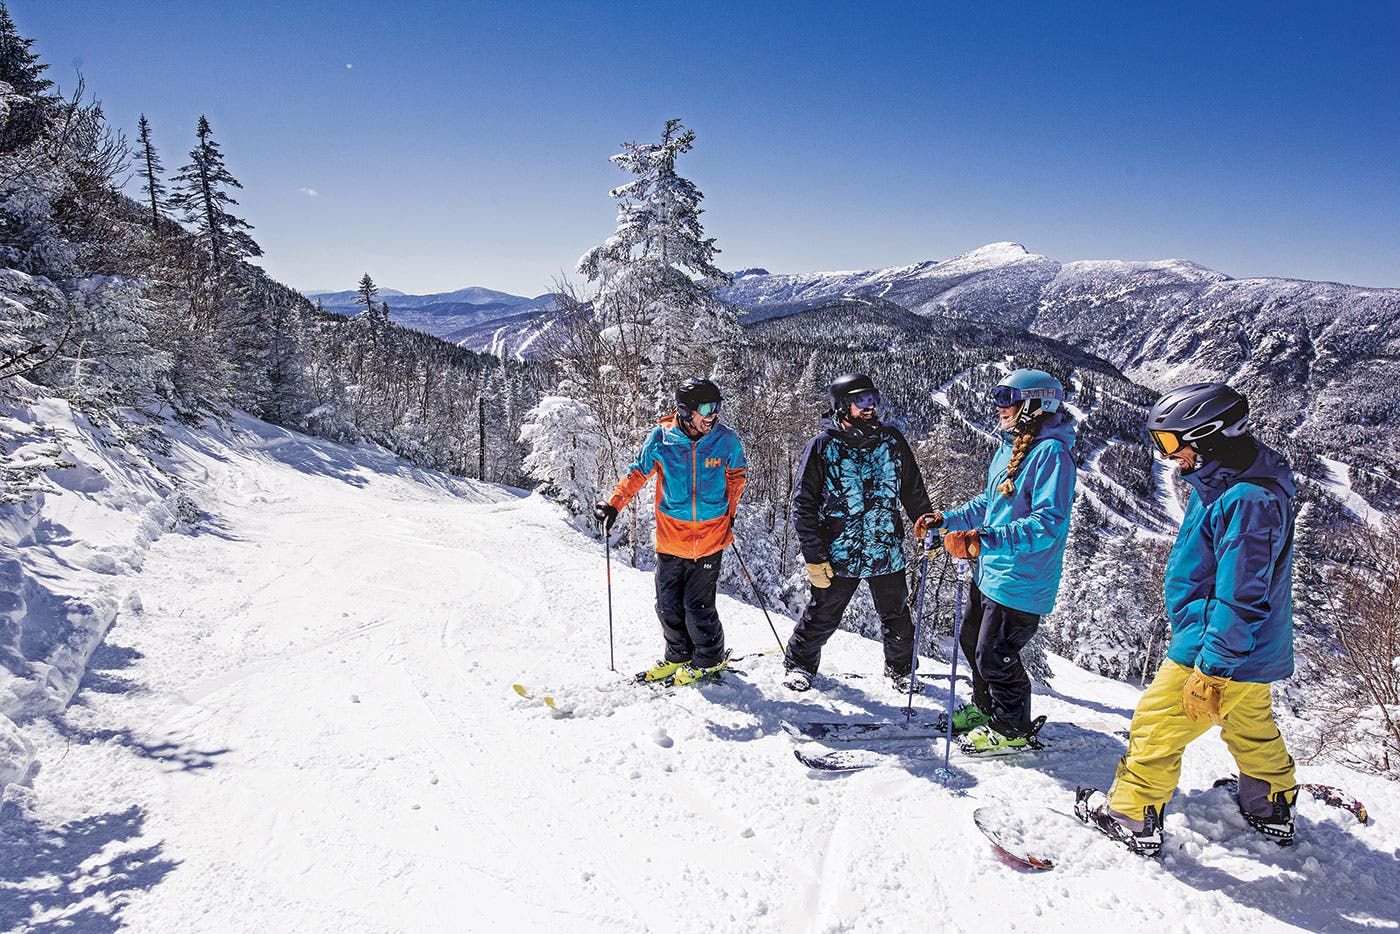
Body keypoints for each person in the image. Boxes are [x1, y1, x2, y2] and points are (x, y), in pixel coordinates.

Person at [1076, 382, 1299, 855]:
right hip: (1249, 648)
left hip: (1216, 644)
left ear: (1212, 435)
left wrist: (1213, 667)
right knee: (1249, 720)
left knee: (1157, 723)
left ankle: (1132, 815)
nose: (1168, 456)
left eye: (1175, 443)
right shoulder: (1222, 479)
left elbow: (1241, 594)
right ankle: (1269, 802)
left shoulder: (1247, 499)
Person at [924, 368, 1077, 755]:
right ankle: (985, 709)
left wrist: (983, 540)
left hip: (1022, 578)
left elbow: (1047, 525)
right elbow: (990, 505)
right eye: (998, 399)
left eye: (1007, 400)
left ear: (1036, 405)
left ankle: (1012, 727)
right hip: (990, 571)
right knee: (972, 641)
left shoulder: (1051, 455)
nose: (998, 408)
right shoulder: (1012, 446)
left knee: (995, 654)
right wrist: (949, 520)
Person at [785, 373, 935, 693]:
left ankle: (900, 669)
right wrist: (814, 554)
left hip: (885, 545)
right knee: (824, 613)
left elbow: (913, 491)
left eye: (873, 399)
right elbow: (804, 504)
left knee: (896, 614)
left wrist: (926, 522)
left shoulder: (892, 441)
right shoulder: (823, 446)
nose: (870, 407)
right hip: (841, 548)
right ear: (842, 406)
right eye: (861, 401)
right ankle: (800, 664)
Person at [594, 377, 746, 687]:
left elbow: (736, 477)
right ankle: (678, 656)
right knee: (666, 605)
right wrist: (614, 505)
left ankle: (709, 658)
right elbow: (637, 473)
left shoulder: (725, 440)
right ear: (686, 411)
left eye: (717, 407)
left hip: (709, 538)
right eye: (706, 408)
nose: (713, 414)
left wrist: (728, 515)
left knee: (697, 606)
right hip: (671, 537)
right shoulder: (661, 439)